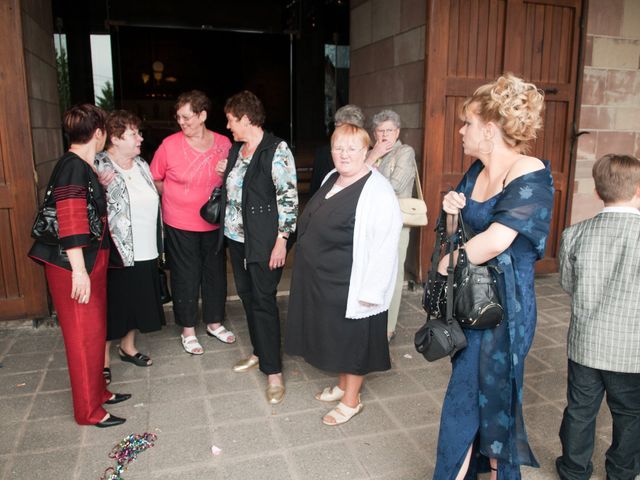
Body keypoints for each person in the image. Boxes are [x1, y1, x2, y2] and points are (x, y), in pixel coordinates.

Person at [434, 74, 553, 479]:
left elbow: (496, 241)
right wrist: (452, 213)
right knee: (482, 401)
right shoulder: (476, 171)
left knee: (471, 401)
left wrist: (446, 264)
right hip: (473, 301)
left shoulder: (530, 171)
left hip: (506, 310)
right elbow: (460, 234)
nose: (462, 130)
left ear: (488, 129)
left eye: (467, 122)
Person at [285, 123, 402, 425]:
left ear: (367, 151)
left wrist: (371, 292)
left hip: (353, 283)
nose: (344, 154)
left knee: (352, 340)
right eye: (338, 147)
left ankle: (352, 401)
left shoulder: (377, 190)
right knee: (336, 336)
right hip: (324, 280)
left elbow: (385, 245)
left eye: (352, 148)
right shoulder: (331, 177)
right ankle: (341, 386)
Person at [28, 104, 131, 427]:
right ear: (98, 133)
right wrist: (80, 272)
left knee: (94, 331)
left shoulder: (80, 166)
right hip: (74, 263)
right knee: (83, 338)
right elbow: (70, 221)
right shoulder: (73, 167)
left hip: (89, 261)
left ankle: (99, 393)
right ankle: (89, 411)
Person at [555, 154, 640, 480]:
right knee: (630, 414)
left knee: (580, 410)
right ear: (637, 189)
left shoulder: (575, 233)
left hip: (587, 342)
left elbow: (567, 283)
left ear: (598, 191)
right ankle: (621, 472)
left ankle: (574, 470)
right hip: (632, 349)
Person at [217, 90, 298, 405]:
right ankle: (258, 351)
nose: (228, 126)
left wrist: (281, 240)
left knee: (264, 300)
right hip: (237, 239)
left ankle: (274, 372)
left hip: (264, 241)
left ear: (247, 119)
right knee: (248, 298)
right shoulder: (239, 150)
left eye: (231, 120)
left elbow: (288, 199)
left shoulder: (276, 150)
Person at [150, 90, 235, 355]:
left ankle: (214, 322)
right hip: (179, 222)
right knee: (186, 275)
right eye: (179, 117)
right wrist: (177, 199)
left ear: (203, 116)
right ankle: (188, 329)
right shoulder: (169, 145)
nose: (182, 122)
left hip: (214, 223)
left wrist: (227, 172)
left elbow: (235, 180)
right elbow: (155, 178)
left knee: (215, 274)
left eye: (187, 117)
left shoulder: (224, 143)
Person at [96, 110, 166, 384]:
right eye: (133, 134)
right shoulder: (98, 166)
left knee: (137, 298)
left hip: (146, 245)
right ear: (115, 138)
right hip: (116, 249)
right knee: (114, 304)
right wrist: (97, 188)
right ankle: (101, 360)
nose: (140, 138)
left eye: (138, 132)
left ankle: (127, 346)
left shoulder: (141, 165)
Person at [366, 109, 417, 342]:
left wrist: (370, 175)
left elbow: (395, 186)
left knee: (394, 274)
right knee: (375, 271)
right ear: (374, 133)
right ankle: (373, 318)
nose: (385, 135)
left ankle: (388, 327)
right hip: (373, 221)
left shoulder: (404, 152)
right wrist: (372, 156)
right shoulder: (373, 153)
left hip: (396, 221)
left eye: (389, 130)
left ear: (397, 132)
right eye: (380, 131)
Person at [309, 104, 365, 197]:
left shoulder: (368, 152)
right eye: (336, 126)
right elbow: (315, 189)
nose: (337, 131)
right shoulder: (323, 153)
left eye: (343, 128)